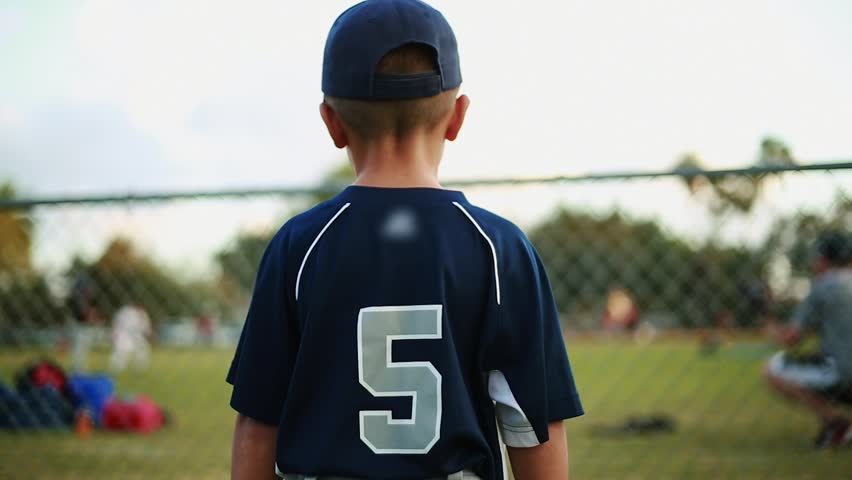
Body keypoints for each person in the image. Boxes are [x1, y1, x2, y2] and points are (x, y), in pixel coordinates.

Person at [227, 1, 583, 479]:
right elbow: (533, 426)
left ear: (332, 123)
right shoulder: (499, 248)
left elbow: (257, 418)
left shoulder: (299, 245)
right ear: (458, 117)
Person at [765, 231, 852, 449]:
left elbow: (792, 338)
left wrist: (771, 328)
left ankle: (835, 423)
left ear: (823, 259)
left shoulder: (823, 285)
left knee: (772, 369)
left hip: (843, 375)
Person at [109, 303, 152, 372]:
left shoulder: (143, 313)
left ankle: (140, 369)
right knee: (122, 351)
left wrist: (148, 333)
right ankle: (116, 368)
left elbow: (145, 326)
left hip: (138, 335)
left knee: (143, 351)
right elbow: (117, 322)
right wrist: (115, 333)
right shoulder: (125, 311)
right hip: (124, 335)